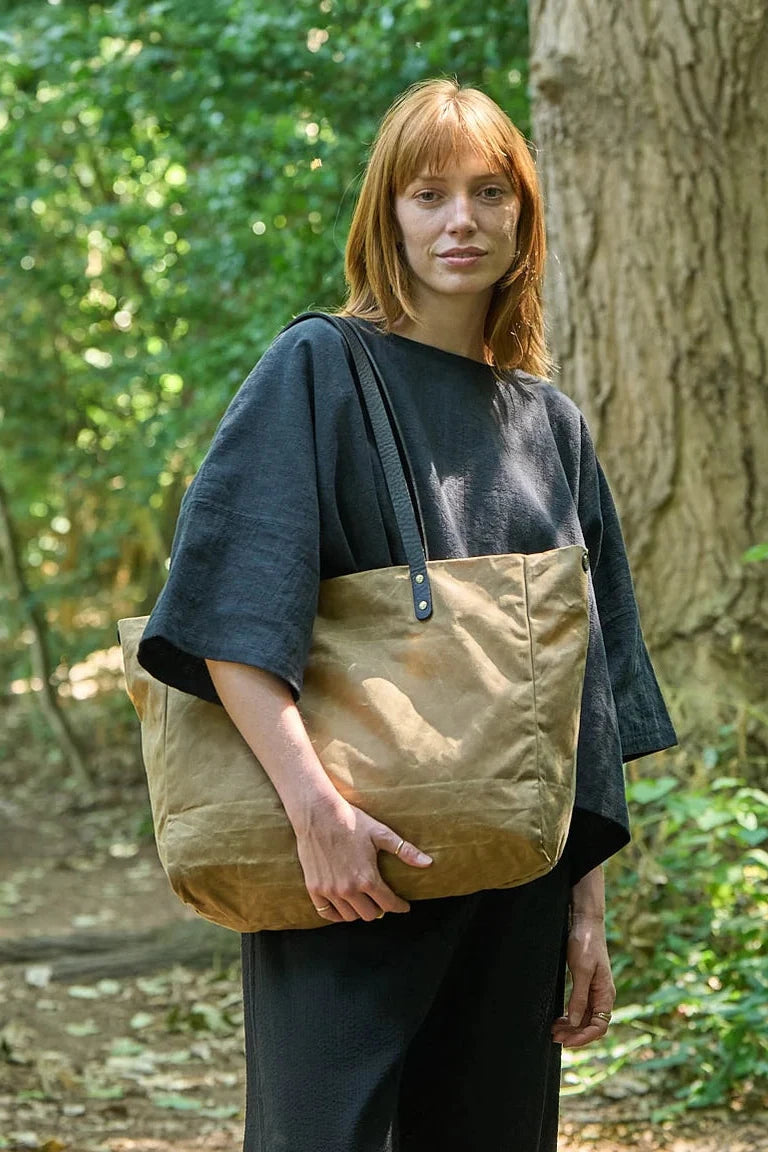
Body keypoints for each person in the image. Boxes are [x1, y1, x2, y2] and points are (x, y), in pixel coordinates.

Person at [137, 78, 677, 1151]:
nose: (460, 221)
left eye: (488, 192)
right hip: (347, 875)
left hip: (514, 891)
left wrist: (585, 912)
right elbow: (228, 617)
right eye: (428, 194)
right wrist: (315, 816)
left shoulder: (549, 426)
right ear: (387, 212)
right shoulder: (317, 369)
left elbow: (589, 701)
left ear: (523, 214)